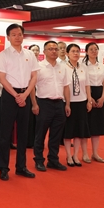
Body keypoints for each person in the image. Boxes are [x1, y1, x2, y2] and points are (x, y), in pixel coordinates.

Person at [0, 24, 39, 181]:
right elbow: (2, 78)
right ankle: (3, 168)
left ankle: (21, 167)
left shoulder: (30, 54)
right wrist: (16, 95)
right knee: (5, 134)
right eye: (13, 34)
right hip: (9, 96)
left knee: (23, 133)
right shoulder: (3, 55)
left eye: (19, 34)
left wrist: (25, 94)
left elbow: (34, 77)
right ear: (8, 37)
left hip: (25, 94)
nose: (17, 37)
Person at [30, 41, 71, 172]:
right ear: (44, 52)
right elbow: (31, 87)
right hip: (43, 103)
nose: (54, 51)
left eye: (55, 49)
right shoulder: (38, 67)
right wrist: (34, 104)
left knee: (56, 135)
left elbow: (66, 87)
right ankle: (39, 160)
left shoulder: (63, 67)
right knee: (40, 134)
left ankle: (53, 160)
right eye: (50, 49)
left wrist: (67, 104)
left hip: (59, 104)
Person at [62, 43, 91, 167]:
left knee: (79, 131)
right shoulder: (63, 67)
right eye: (73, 51)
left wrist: (89, 100)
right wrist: (67, 103)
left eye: (77, 51)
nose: (76, 53)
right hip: (68, 103)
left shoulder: (83, 67)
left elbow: (87, 85)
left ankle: (76, 155)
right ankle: (68, 155)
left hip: (81, 102)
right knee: (68, 131)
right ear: (67, 53)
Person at [84, 42, 104, 163]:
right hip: (86, 95)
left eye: (96, 49)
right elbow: (84, 83)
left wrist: (103, 97)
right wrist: (89, 98)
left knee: (97, 127)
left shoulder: (102, 66)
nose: (94, 51)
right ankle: (85, 154)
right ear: (86, 52)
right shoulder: (83, 66)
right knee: (86, 126)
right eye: (91, 49)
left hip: (99, 95)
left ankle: (95, 153)